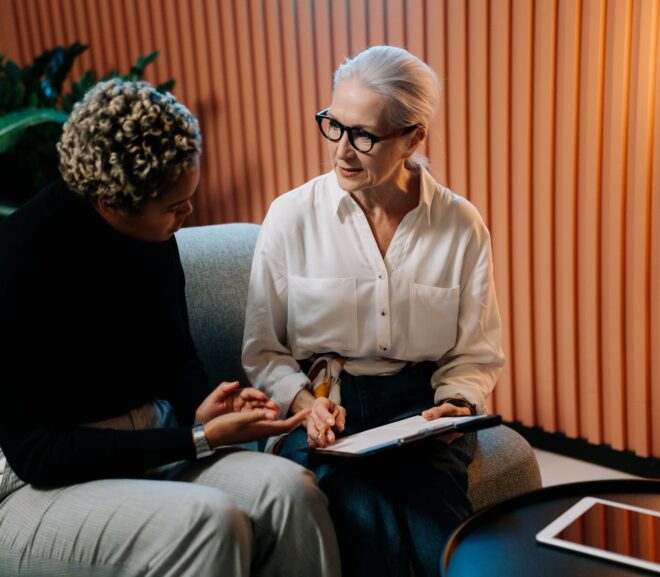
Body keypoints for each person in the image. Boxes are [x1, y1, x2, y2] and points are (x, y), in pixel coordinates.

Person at [0, 79, 340, 577]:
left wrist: (202, 406)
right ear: (111, 202)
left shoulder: (153, 238)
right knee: (210, 523)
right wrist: (198, 438)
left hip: (150, 438)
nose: (189, 214)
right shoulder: (21, 258)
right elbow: (39, 453)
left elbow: (175, 354)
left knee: (290, 492)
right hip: (41, 482)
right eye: (175, 207)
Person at [242, 45, 505, 577]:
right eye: (333, 126)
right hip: (324, 407)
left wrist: (458, 401)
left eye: (363, 135)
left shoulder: (460, 224)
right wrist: (303, 403)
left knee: (448, 545)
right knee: (366, 522)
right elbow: (263, 349)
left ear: (413, 138)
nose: (342, 151)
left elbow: (474, 351)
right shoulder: (291, 217)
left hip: (421, 409)